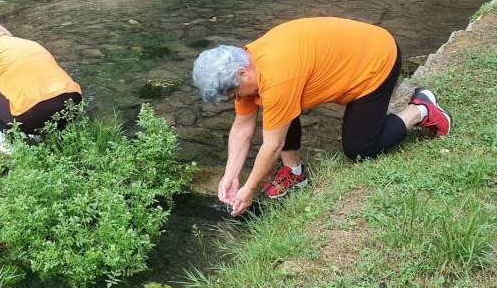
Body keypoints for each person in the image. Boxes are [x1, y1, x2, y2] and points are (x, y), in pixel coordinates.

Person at [192, 17, 451, 216]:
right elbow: (242, 128)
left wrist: (248, 190)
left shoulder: (277, 76)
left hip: (377, 59)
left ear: (242, 74)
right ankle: (295, 172)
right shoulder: (247, 67)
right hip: (353, 52)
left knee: (361, 148)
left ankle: (421, 108)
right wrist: (231, 175)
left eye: (235, 95)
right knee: (278, 110)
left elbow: (273, 145)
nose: (237, 100)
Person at [0, 20, 82, 152]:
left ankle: (13, 141)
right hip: (73, 106)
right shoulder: (30, 43)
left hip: (36, 116)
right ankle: (61, 132)